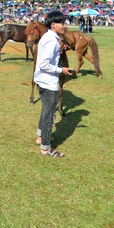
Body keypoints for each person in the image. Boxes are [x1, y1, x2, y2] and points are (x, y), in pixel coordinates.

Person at [33, 11, 74, 158]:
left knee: (46, 111)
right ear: (53, 25)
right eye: (62, 23)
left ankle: (40, 137)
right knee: (49, 114)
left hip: (44, 80)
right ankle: (46, 148)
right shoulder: (51, 40)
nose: (64, 26)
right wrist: (61, 69)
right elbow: (44, 64)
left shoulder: (50, 37)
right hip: (48, 81)